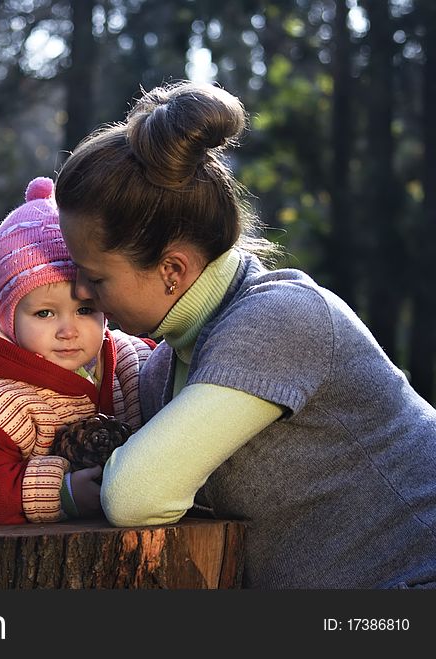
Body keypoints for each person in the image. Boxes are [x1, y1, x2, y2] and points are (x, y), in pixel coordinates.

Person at [54, 80, 436, 589]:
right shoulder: (163, 369)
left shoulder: (281, 318)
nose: (79, 286)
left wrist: (59, 494)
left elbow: (135, 495)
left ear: (172, 268)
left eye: (95, 275)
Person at [0, 177, 155, 528]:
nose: (69, 330)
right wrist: (60, 491)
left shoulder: (131, 361)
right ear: (9, 318)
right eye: (45, 313)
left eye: (85, 310)